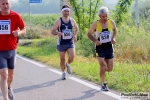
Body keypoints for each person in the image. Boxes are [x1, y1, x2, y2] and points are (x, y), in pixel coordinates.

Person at [0, 0, 26, 99]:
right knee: (4, 75)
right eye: (3, 4)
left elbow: (24, 29)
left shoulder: (16, 16)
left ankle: (9, 86)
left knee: (10, 77)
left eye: (7, 3)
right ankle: (5, 98)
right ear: (0, 5)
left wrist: (19, 33)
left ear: (10, 4)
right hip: (0, 51)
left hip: (11, 50)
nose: (5, 6)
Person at [87, 6, 117, 91]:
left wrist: (114, 38)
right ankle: (103, 84)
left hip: (109, 47)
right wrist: (95, 40)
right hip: (99, 48)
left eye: (106, 16)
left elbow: (115, 30)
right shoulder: (95, 24)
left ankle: (102, 72)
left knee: (110, 69)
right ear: (99, 16)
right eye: (103, 16)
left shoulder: (111, 22)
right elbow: (89, 34)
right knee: (103, 66)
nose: (105, 18)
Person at [51, 5, 79, 80]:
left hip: (70, 42)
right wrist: (57, 33)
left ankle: (68, 64)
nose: (66, 13)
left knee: (72, 57)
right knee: (62, 59)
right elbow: (52, 31)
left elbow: (77, 28)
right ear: (62, 12)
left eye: (68, 11)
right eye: (65, 11)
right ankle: (63, 72)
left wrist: (75, 35)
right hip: (61, 43)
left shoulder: (72, 20)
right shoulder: (58, 21)